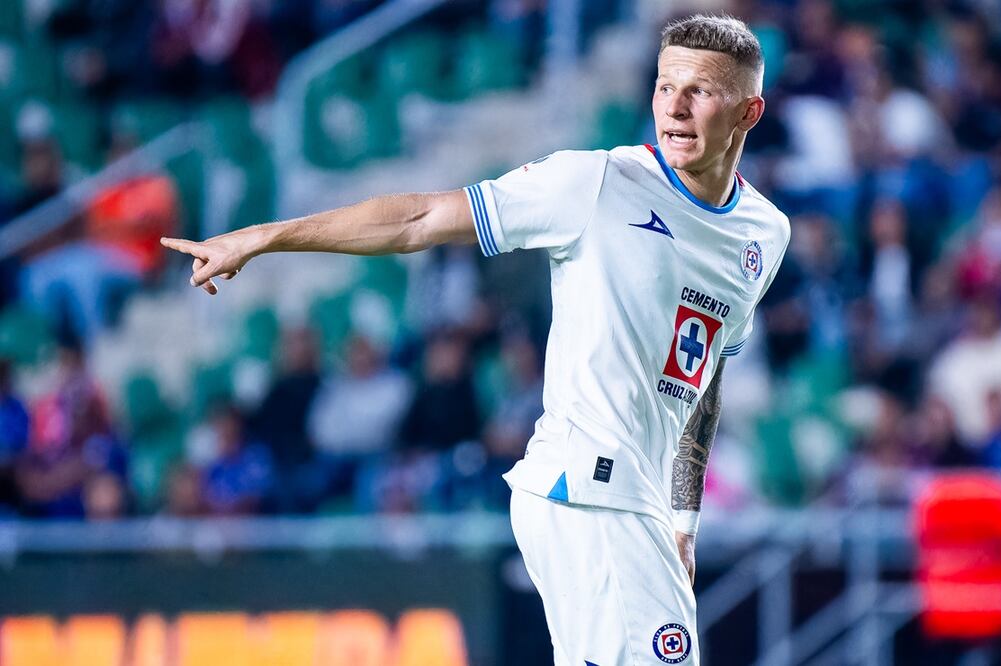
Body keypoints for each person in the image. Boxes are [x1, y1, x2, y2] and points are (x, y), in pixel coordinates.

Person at [162, 14, 788, 665]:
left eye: (700, 91)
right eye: (665, 87)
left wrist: (682, 521)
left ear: (747, 111)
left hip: (634, 504)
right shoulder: (597, 183)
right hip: (588, 489)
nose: (675, 108)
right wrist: (265, 236)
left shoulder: (763, 235)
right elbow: (420, 219)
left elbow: (702, 382)